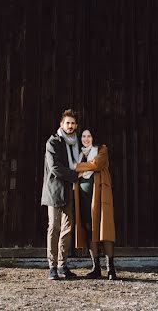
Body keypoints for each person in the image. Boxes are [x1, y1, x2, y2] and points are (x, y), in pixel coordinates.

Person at [41, 109, 80, 280]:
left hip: (69, 191)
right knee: (54, 228)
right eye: (67, 123)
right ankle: (52, 267)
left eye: (72, 123)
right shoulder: (53, 142)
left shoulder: (76, 143)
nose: (70, 126)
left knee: (67, 228)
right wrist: (75, 176)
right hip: (55, 191)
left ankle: (63, 266)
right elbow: (55, 168)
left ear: (76, 125)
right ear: (61, 125)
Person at [73, 128, 117, 280]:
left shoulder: (102, 149)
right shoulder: (79, 153)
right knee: (88, 227)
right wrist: (85, 164)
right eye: (84, 136)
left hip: (99, 196)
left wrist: (78, 167)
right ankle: (96, 267)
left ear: (94, 138)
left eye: (89, 136)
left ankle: (110, 268)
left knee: (104, 229)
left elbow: (97, 164)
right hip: (84, 197)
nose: (86, 139)